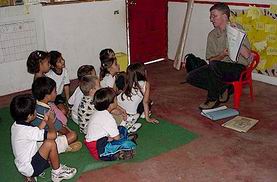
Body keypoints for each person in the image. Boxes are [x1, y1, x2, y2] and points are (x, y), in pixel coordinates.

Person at [186, 2, 251, 110]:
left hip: (237, 68)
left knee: (215, 67)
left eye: (214, 16)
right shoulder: (212, 35)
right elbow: (211, 60)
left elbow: (247, 55)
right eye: (211, 16)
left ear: (225, 17)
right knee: (191, 77)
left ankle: (212, 99)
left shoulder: (237, 28)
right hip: (218, 67)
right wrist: (222, 55)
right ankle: (223, 88)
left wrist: (236, 35)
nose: (211, 19)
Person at [10, 94, 77, 182]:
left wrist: (45, 120)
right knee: (50, 143)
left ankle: (30, 176)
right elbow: (53, 135)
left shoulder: (16, 126)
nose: (36, 110)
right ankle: (57, 173)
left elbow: (36, 131)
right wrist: (50, 122)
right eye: (34, 110)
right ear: (29, 116)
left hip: (23, 165)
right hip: (31, 167)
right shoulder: (28, 131)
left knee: (44, 145)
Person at [32, 77, 82, 153]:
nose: (56, 93)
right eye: (55, 91)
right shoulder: (48, 112)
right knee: (73, 135)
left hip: (37, 136)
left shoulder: (35, 105)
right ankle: (61, 149)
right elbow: (61, 128)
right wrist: (69, 133)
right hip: (44, 144)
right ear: (47, 96)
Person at [84, 88, 136, 161]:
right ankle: (119, 152)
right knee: (127, 144)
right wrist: (114, 138)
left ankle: (124, 141)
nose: (117, 100)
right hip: (99, 149)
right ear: (110, 104)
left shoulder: (99, 111)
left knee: (121, 128)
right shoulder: (107, 118)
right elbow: (117, 138)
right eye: (115, 99)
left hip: (99, 141)